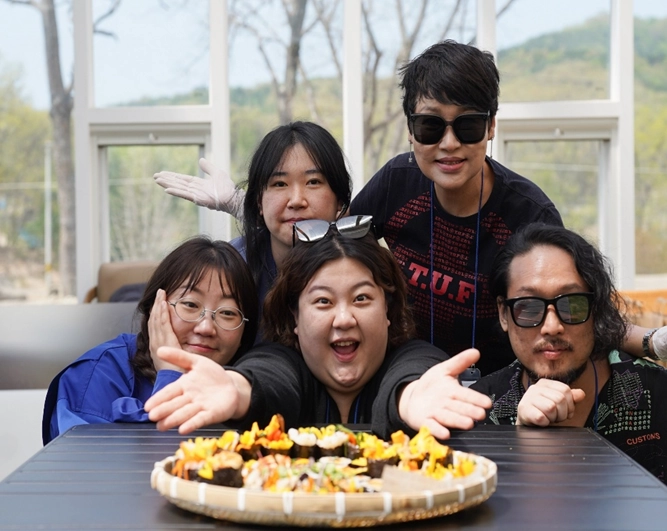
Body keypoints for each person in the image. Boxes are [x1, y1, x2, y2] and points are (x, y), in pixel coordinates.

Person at [153, 41, 664, 375]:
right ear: (410, 129)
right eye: (430, 126)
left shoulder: (528, 214)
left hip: (503, 387)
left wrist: (651, 342)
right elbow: (327, 238)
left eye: (467, 126)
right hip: (404, 373)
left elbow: (569, 309)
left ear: (491, 127)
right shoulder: (398, 183)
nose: (449, 144)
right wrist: (246, 205)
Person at [144, 219, 492, 440]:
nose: (344, 319)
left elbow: (413, 372)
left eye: (361, 298)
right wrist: (237, 388)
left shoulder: (411, 358)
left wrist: (410, 396)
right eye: (323, 301)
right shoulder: (282, 361)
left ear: (387, 308)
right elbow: (269, 377)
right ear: (295, 317)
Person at [470, 223, 667, 483]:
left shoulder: (658, 394)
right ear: (504, 314)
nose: (552, 327)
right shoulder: (478, 412)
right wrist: (521, 442)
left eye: (572, 304)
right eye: (528, 307)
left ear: (596, 309)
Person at [42, 237, 258, 444]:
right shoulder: (94, 375)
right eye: (190, 305)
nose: (206, 328)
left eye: (227, 313)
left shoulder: (250, 388)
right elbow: (92, 465)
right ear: (154, 307)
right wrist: (171, 375)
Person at [156, 121, 352, 320]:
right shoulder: (231, 270)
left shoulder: (360, 265)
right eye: (280, 184)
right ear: (259, 201)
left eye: (313, 182)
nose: (296, 200)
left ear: (340, 200)